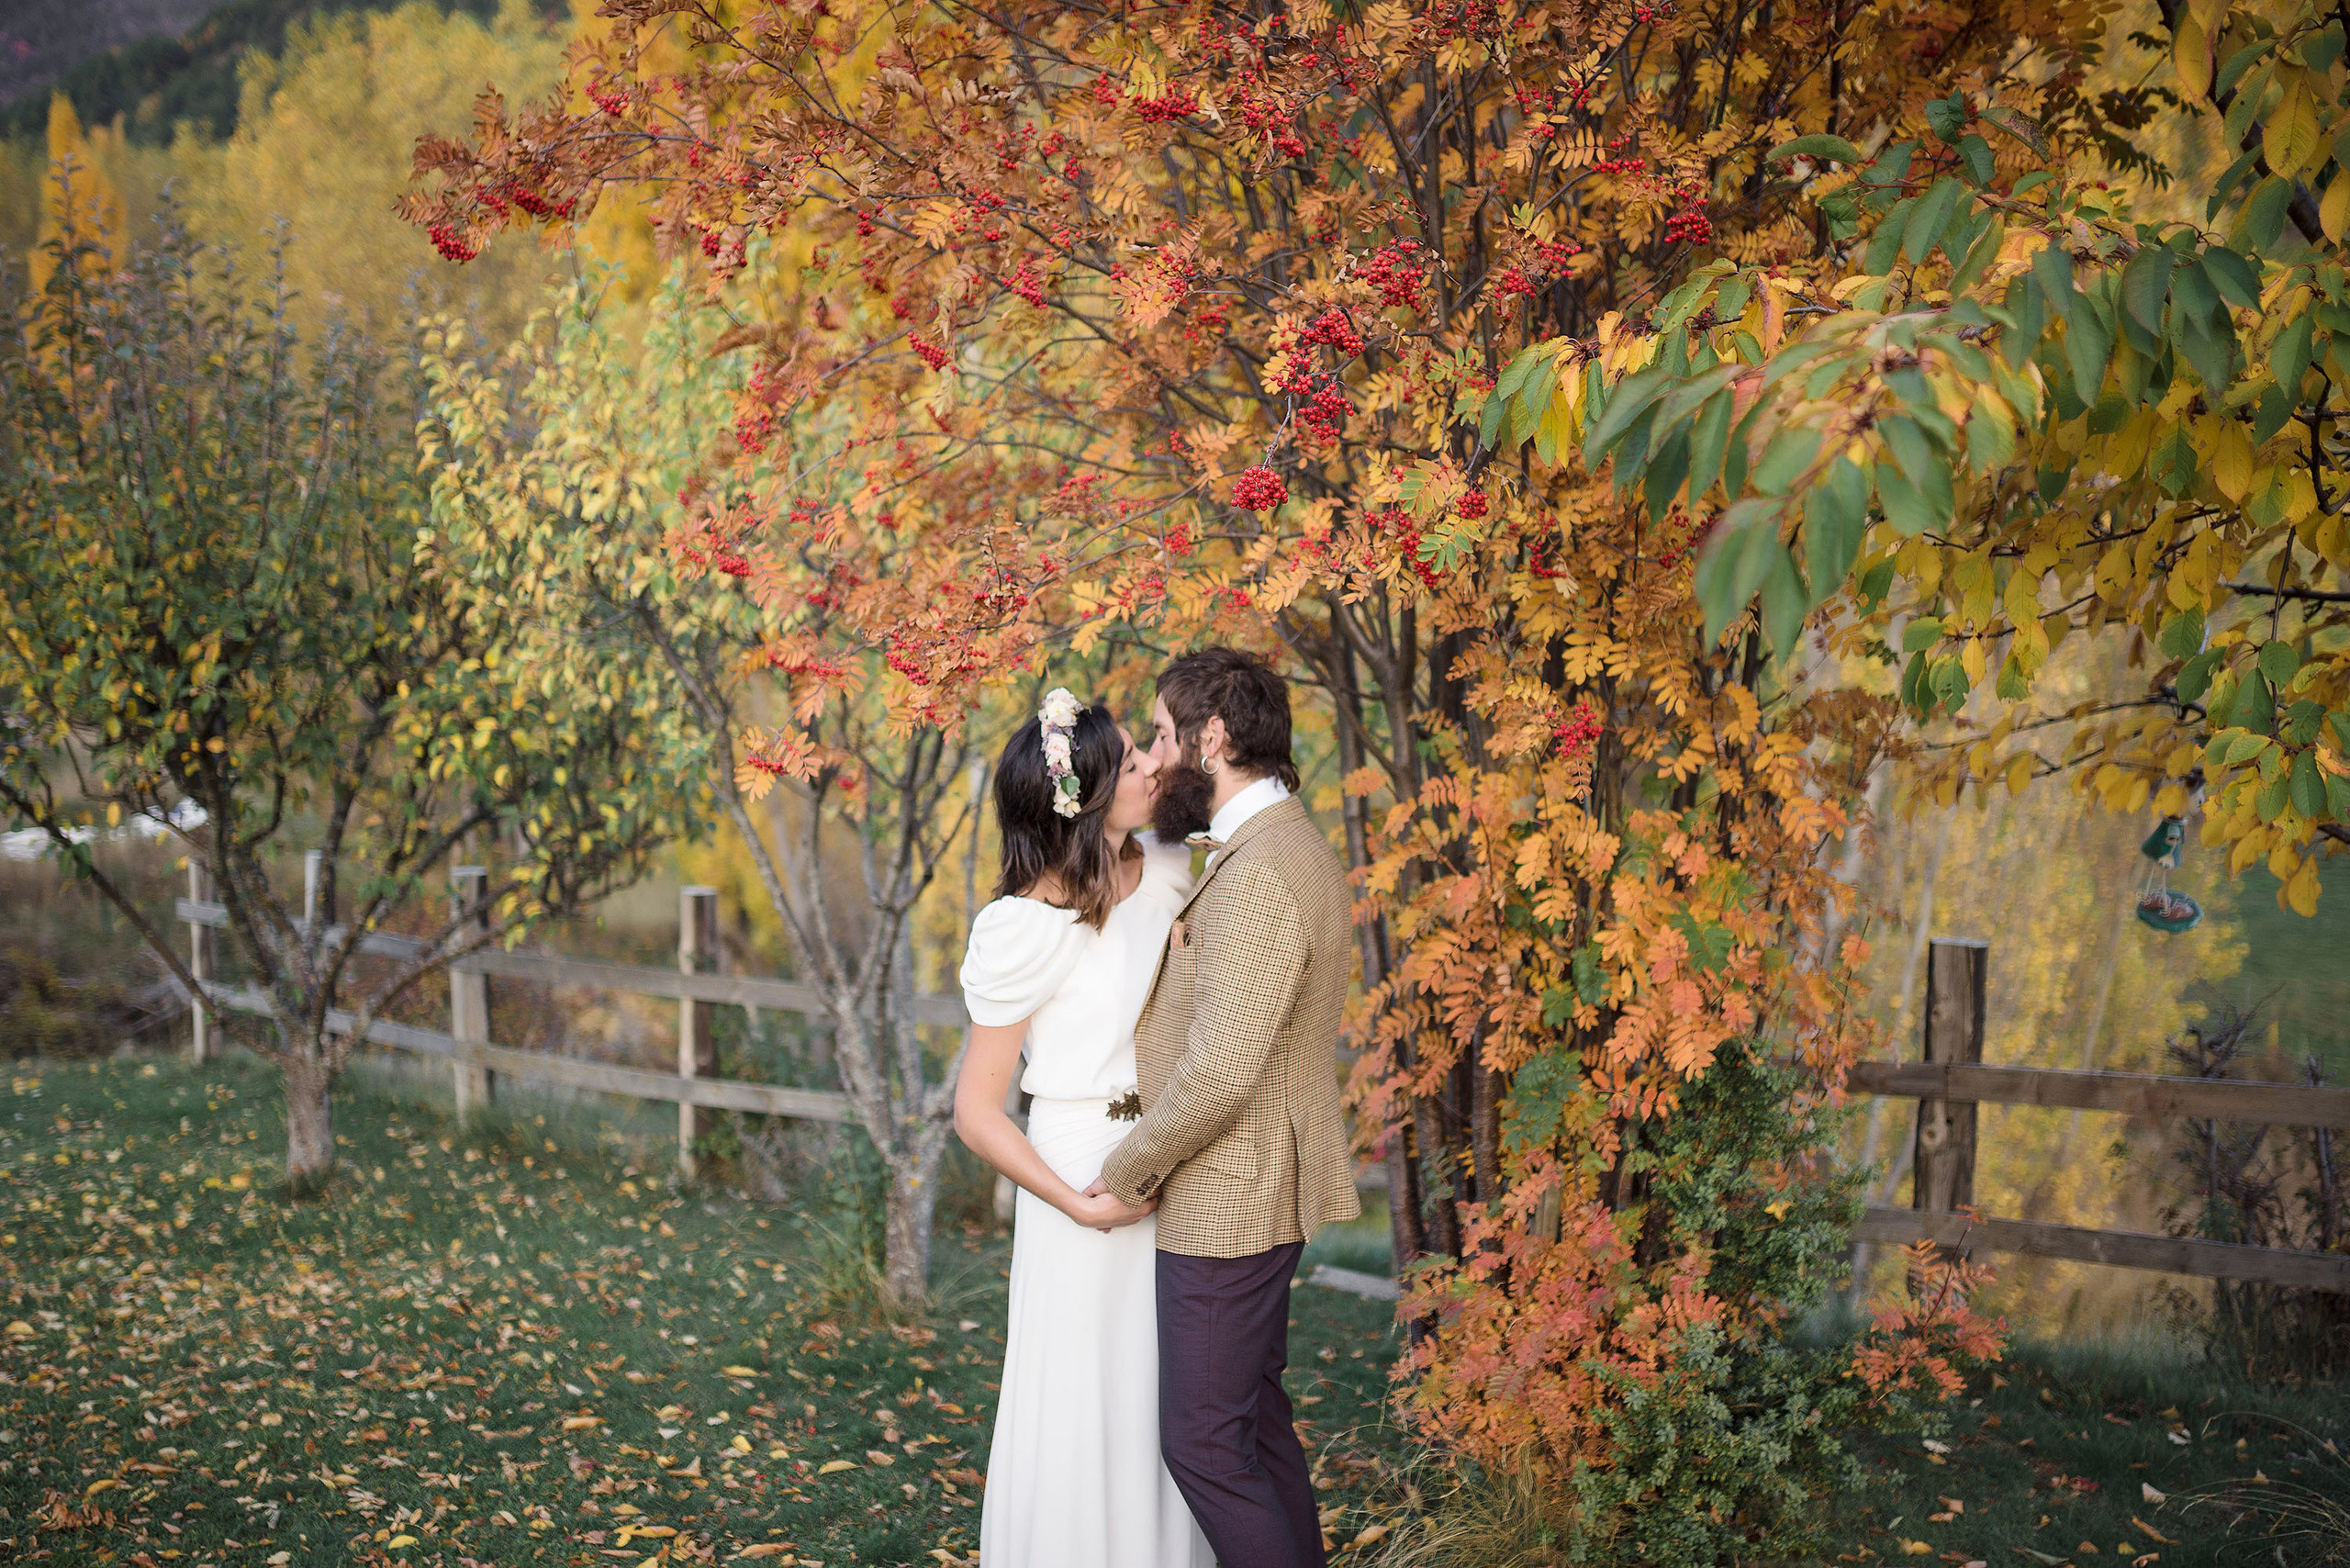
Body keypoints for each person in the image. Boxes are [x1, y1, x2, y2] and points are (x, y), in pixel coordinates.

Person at [1088, 647, 1361, 1568]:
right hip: (1250, 1182)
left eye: (1165, 734)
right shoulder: (1272, 845)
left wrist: (1126, 1170)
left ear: (1214, 736)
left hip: (1230, 1193)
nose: (1157, 758)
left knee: (1202, 1444)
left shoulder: (1260, 871)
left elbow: (1219, 1071)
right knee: (1253, 1428)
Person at [952, 687, 1214, 1568]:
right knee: (1078, 1392)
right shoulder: (1020, 927)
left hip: (1170, 1155)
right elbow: (977, 1111)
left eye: (1146, 752)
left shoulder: (1177, 867)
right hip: (1074, 1172)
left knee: (1159, 1393)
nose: (1153, 769)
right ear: (1090, 802)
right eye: (1135, 763)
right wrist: (1073, 1202)